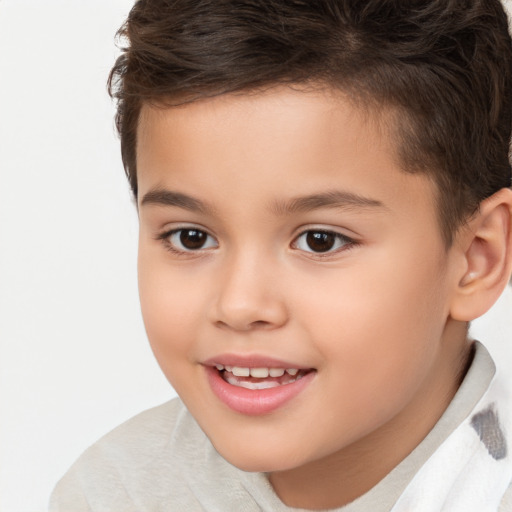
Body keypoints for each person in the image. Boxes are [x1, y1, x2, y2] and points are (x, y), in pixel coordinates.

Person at [49, 0, 512, 510]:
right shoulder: (112, 493)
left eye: (320, 240)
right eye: (191, 237)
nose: (240, 305)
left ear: (476, 258)